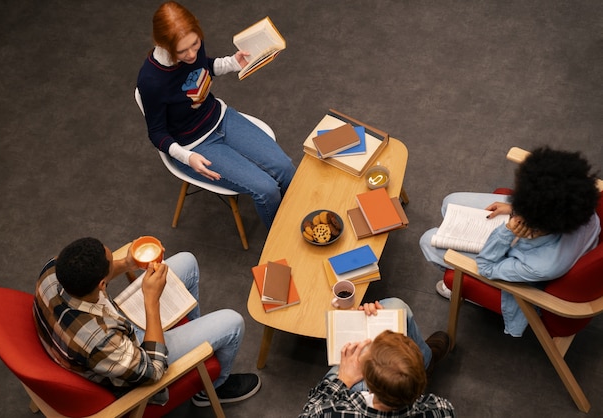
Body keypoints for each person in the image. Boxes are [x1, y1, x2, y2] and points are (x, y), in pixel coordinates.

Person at [33, 237, 260, 408]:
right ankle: (211, 388)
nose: (116, 262)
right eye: (112, 262)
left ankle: (201, 344)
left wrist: (128, 263)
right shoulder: (101, 342)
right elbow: (153, 370)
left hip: (111, 322)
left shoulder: (54, 269)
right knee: (233, 322)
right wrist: (152, 301)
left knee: (186, 261)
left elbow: (94, 281)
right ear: (102, 284)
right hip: (131, 355)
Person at [136, 1, 296, 229]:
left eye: (195, 44)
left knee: (286, 169)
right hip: (193, 146)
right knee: (267, 189)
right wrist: (186, 157)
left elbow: (204, 67)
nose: (192, 54)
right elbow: (157, 133)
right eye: (182, 51)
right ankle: (282, 240)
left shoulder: (192, 46)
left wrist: (233, 62)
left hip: (220, 118)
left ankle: (298, 221)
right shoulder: (151, 81)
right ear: (161, 43)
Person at [419, 146, 600, 337]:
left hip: (516, 256)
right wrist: (517, 207)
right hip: (539, 219)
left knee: (428, 240)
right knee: (450, 203)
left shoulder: (543, 265)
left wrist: (506, 232)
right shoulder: (582, 208)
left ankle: (466, 289)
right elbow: (552, 201)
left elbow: (486, 268)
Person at [299, 298, 455, 417]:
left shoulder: (331, 412)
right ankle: (427, 361)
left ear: (369, 385)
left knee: (339, 369)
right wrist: (386, 317)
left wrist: (343, 380)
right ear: (421, 382)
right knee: (397, 305)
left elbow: (309, 412)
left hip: (345, 391)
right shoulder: (441, 410)